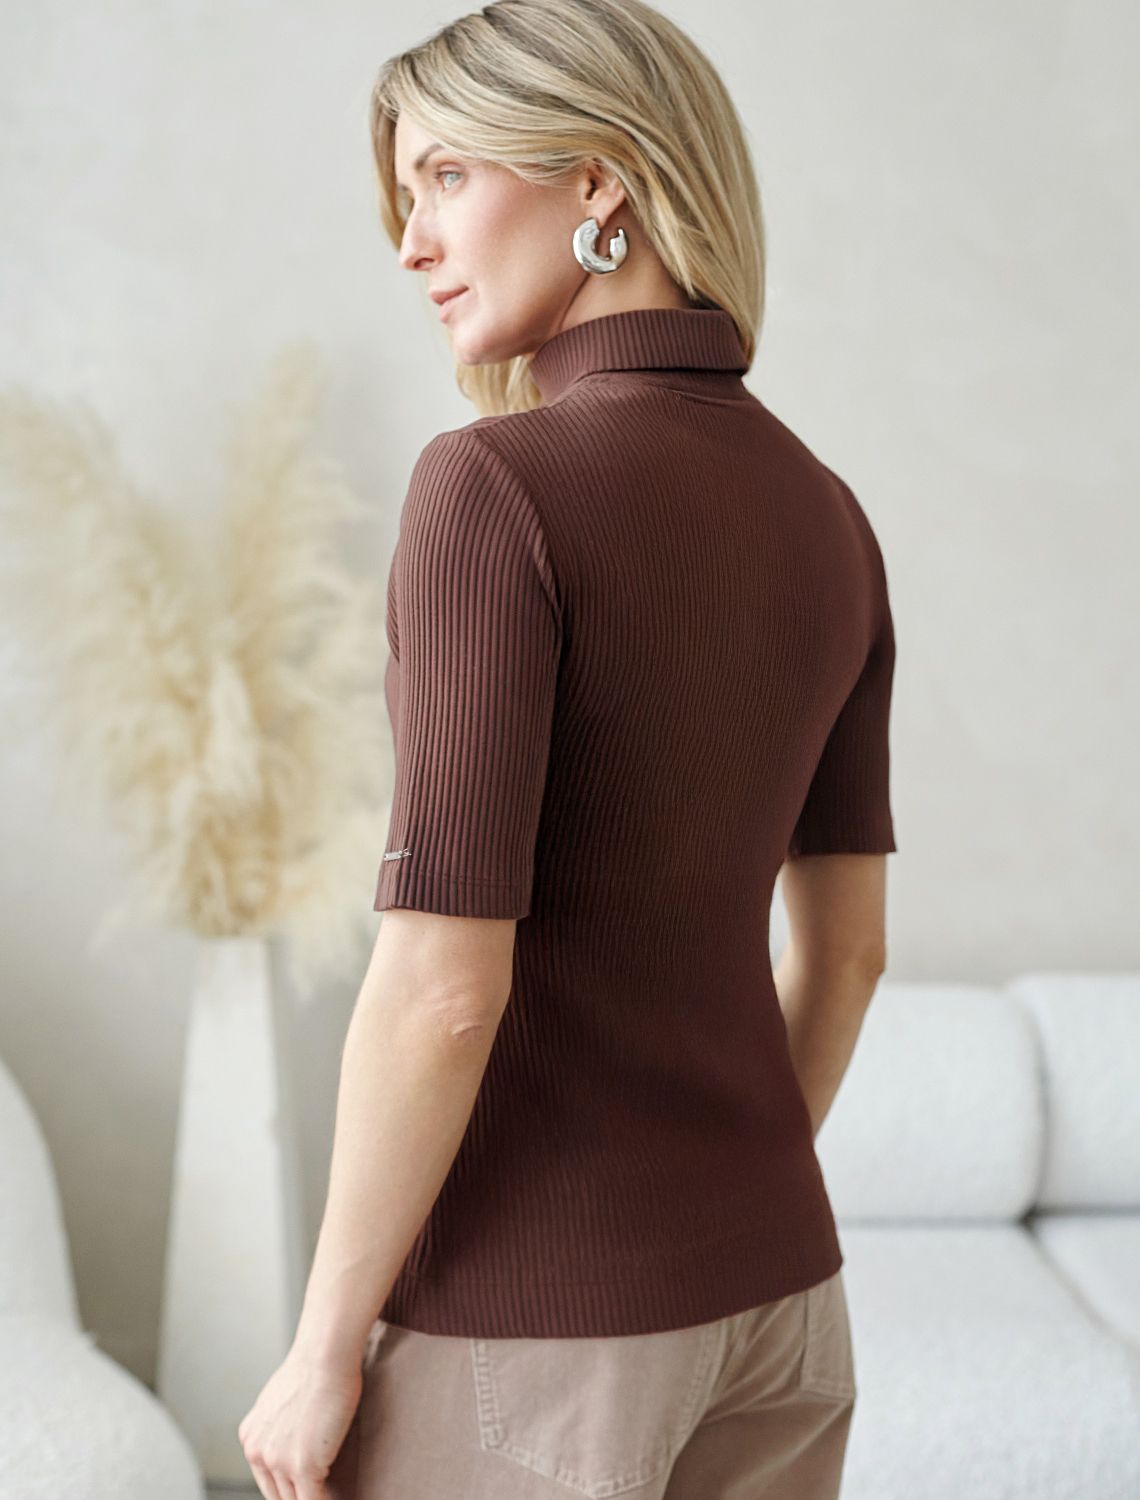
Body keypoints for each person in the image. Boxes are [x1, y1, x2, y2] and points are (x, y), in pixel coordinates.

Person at [238, 0, 897, 1495]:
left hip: (533, 1336)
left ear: (598, 176)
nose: (411, 242)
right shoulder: (830, 514)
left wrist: (322, 1346)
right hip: (785, 1308)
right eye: (405, 196)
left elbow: (443, 985)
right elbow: (849, 954)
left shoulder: (495, 491)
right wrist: (722, 1202)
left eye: (447, 177)